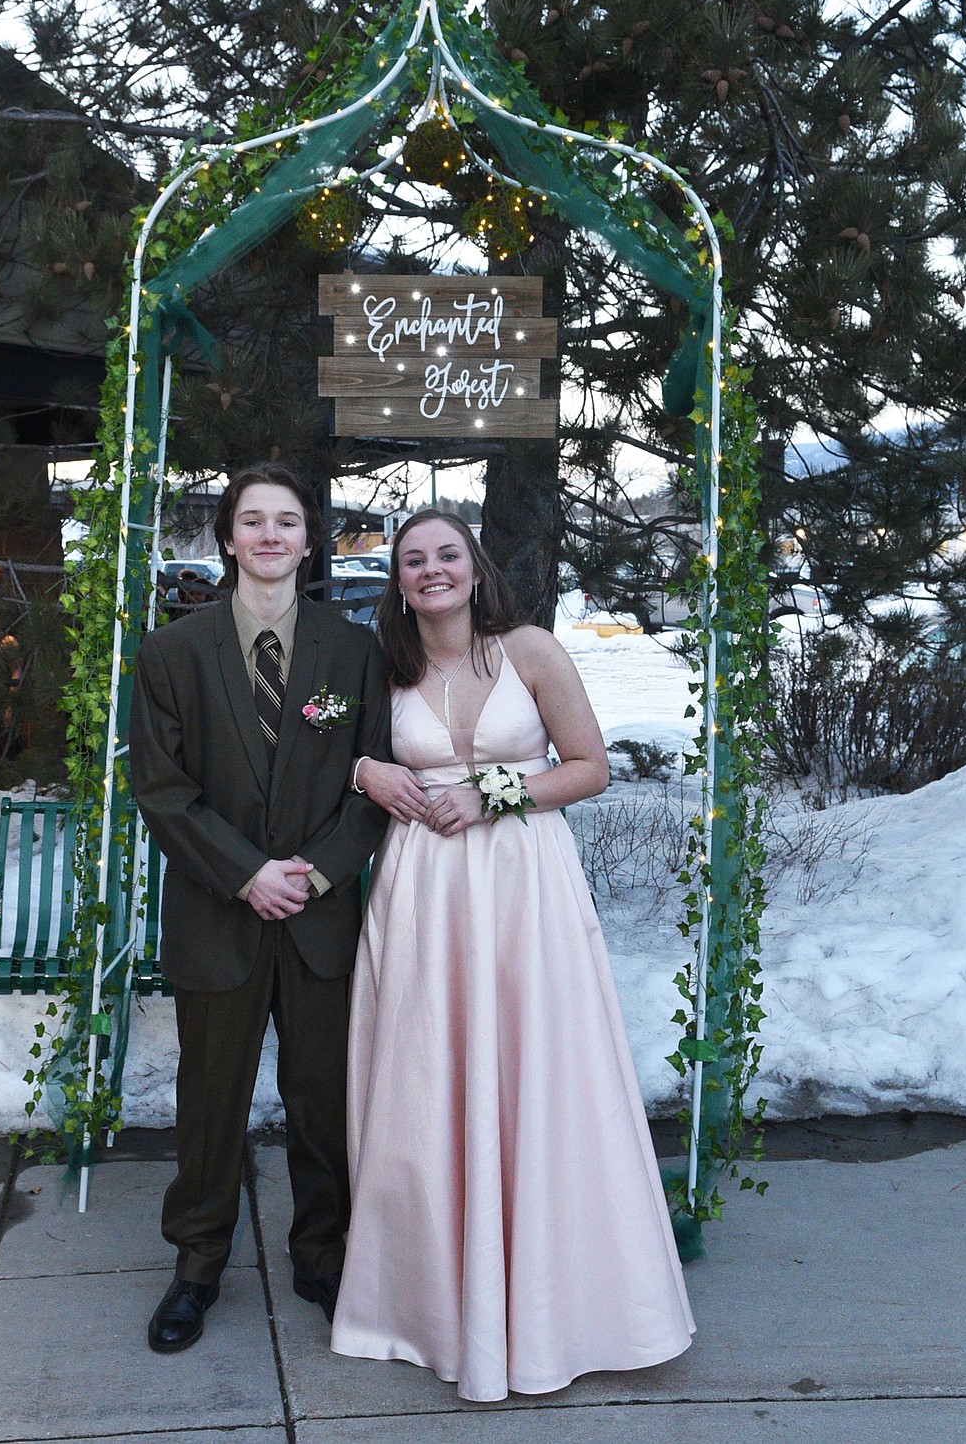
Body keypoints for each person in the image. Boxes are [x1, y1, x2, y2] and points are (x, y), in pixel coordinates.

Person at [330, 509, 695, 1402]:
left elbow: (589, 766)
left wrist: (495, 794)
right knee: (428, 1082)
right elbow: (327, 750)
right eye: (414, 561)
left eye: (446, 554)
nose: (432, 571)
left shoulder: (529, 650)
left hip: (523, 883)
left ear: (475, 566)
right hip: (423, 891)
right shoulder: (385, 667)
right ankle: (426, 1305)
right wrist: (364, 771)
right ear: (399, 580)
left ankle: (556, 1301)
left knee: (536, 1072)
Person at [129, 462, 391, 1354]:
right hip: (219, 913)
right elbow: (162, 792)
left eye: (288, 521)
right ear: (229, 539)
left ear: (310, 540)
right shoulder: (172, 652)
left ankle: (323, 1256)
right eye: (252, 521)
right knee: (210, 1101)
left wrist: (314, 873)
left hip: (319, 920)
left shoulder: (353, 652)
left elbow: (372, 783)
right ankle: (196, 1266)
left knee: (323, 1099)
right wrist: (248, 874)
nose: (270, 536)